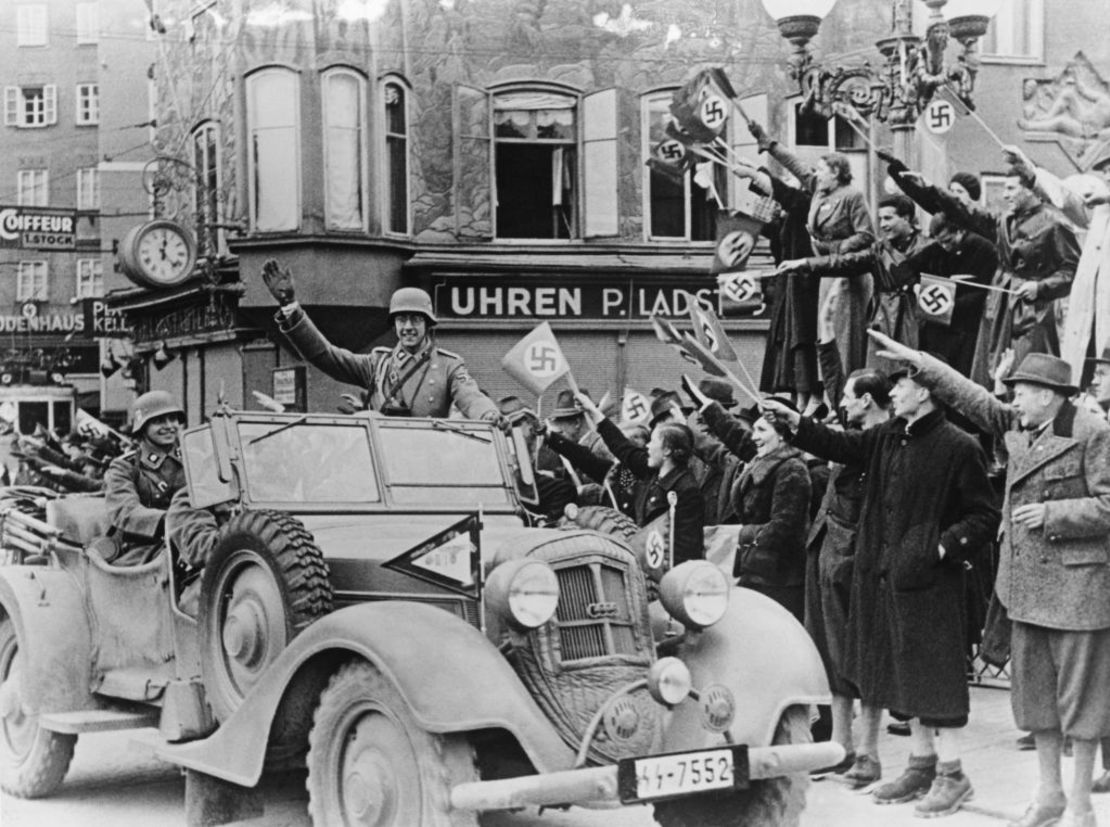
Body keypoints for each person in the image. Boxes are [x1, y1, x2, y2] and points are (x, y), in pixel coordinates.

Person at [870, 330, 1110, 827]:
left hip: (1079, 590)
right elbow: (969, 395)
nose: (1012, 398)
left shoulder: (1091, 429)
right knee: (1036, 701)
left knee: (1082, 706)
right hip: (1023, 588)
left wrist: (1055, 513)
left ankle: (1082, 804)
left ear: (1047, 395)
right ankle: (1049, 795)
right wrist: (920, 360)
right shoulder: (1018, 424)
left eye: (1020, 390)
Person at [762, 364, 999, 818]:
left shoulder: (960, 447)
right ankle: (922, 764)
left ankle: (953, 775)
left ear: (928, 392)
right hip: (886, 582)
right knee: (904, 675)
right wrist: (792, 421)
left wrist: (939, 547)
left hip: (931, 583)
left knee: (936, 679)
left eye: (903, 385)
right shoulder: (890, 434)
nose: (894, 392)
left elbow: (984, 516)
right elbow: (839, 444)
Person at [261, 259, 500, 423]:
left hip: (427, 461)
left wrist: (488, 414)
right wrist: (290, 306)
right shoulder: (377, 364)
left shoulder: (449, 366)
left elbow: (471, 397)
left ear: (428, 324)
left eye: (416, 320)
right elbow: (325, 356)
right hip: (380, 466)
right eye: (401, 320)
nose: (408, 327)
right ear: (394, 324)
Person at [805, 369, 893, 785]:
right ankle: (842, 746)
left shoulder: (884, 442)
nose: (841, 402)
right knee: (833, 657)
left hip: (858, 564)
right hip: (828, 557)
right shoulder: (854, 436)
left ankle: (869, 753)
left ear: (868, 401)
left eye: (847, 396)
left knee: (864, 659)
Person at [750, 120, 875, 377]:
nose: (816, 175)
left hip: (847, 275)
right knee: (824, 336)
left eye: (822, 170)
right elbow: (795, 166)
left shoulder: (853, 196)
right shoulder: (820, 191)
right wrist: (768, 143)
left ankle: (845, 391)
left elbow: (866, 235)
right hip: (825, 274)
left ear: (837, 172)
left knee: (844, 336)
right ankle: (832, 394)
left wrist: (833, 247)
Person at [777, 194, 930, 372]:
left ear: (906, 218)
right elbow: (845, 262)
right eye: (880, 219)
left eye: (888, 218)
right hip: (883, 319)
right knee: (879, 377)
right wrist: (805, 263)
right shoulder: (879, 249)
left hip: (916, 320)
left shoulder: (929, 248)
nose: (882, 225)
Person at [1007, 143, 1110, 388]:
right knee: (1085, 386)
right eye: (1105, 171)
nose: (1106, 177)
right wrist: (1029, 173)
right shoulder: (1102, 212)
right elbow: (1066, 199)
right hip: (1093, 321)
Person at [730, 159, 822, 414]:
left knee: (802, 339)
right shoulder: (791, 218)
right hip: (789, 285)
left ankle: (810, 394)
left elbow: (785, 195)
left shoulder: (807, 208)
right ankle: (796, 393)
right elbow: (770, 229)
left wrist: (756, 174)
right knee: (787, 342)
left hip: (805, 284)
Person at [572, 392, 705, 564]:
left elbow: (685, 548)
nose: (648, 446)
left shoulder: (686, 490)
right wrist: (592, 411)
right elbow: (621, 446)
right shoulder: (648, 471)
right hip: (644, 562)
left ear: (666, 451)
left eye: (653, 442)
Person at [103, 391, 187, 566]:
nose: (169, 426)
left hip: (193, 537)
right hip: (146, 546)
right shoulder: (125, 466)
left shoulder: (192, 459)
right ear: (143, 427)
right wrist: (170, 520)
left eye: (173, 419)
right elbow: (125, 511)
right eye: (159, 421)